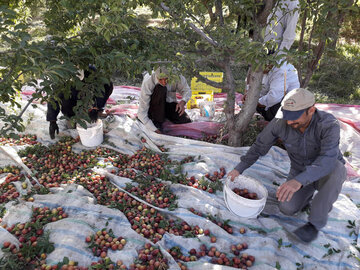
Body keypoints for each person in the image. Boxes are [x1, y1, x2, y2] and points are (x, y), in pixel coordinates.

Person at [229, 88, 346, 243]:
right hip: (300, 169)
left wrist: (298, 181)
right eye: (287, 117)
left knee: (338, 170)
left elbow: (327, 160)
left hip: (326, 171)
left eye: (295, 117)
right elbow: (259, 146)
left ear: (311, 110)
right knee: (287, 208)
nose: (289, 122)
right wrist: (239, 169)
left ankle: (314, 224)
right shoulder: (280, 121)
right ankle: (307, 194)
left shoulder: (328, 124)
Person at [47, 65, 113, 139]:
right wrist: (52, 120)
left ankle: (96, 110)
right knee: (66, 102)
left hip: (88, 96)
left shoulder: (92, 72)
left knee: (93, 116)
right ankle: (71, 117)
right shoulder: (60, 78)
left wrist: (97, 107)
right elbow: (53, 99)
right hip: (71, 101)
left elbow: (105, 86)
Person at [137, 67, 192, 134]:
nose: (164, 82)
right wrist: (154, 129)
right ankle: (157, 121)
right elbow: (141, 113)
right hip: (154, 107)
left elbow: (187, 90)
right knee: (160, 88)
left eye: (166, 79)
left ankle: (164, 116)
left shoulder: (176, 75)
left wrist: (183, 102)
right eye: (160, 79)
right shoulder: (148, 80)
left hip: (168, 104)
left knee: (186, 121)